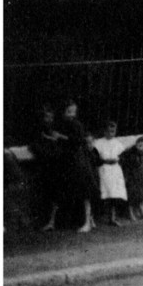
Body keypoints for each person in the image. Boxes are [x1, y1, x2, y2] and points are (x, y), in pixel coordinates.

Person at [52, 99, 98, 233]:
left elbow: (78, 140)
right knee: (66, 191)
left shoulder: (76, 124)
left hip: (77, 160)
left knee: (84, 190)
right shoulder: (60, 124)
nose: (71, 114)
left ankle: (88, 221)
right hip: (65, 160)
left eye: (73, 112)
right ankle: (61, 222)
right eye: (68, 111)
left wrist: (60, 136)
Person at [92, 121, 129, 226]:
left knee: (114, 194)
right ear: (104, 131)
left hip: (115, 170)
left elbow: (122, 157)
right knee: (103, 192)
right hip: (103, 169)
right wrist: (105, 161)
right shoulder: (98, 143)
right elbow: (95, 158)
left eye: (113, 131)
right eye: (108, 131)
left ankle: (112, 218)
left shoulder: (118, 143)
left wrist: (117, 161)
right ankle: (95, 218)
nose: (110, 133)